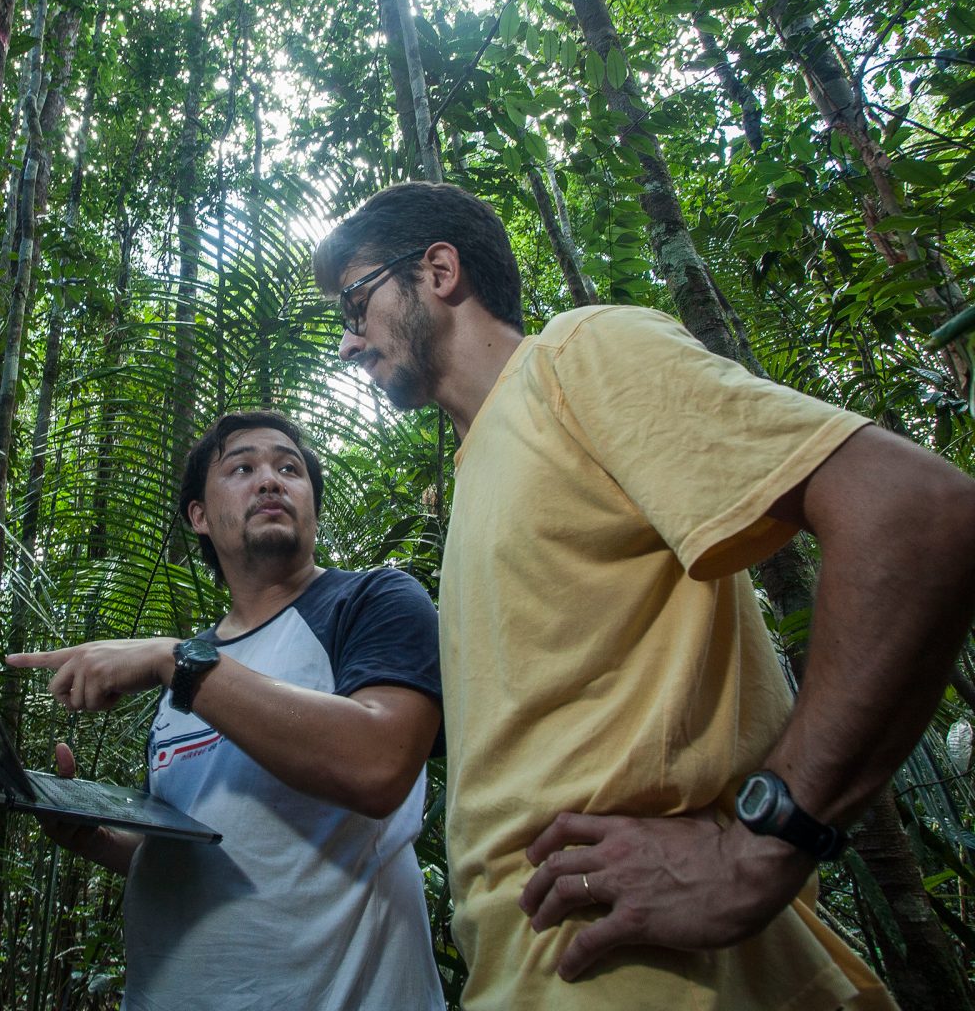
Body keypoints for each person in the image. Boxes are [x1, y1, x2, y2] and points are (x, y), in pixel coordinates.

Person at [313, 180, 975, 1011]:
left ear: (438, 271)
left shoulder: (574, 358)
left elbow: (913, 515)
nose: (348, 342)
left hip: (653, 972)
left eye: (355, 301)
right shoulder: (479, 468)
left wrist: (764, 845)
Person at [9, 410, 446, 1011]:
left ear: (312, 502)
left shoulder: (373, 600)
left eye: (289, 469)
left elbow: (380, 764)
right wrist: (92, 834)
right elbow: (204, 844)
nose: (271, 481)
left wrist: (173, 662)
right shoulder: (194, 672)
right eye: (243, 468)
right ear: (199, 517)